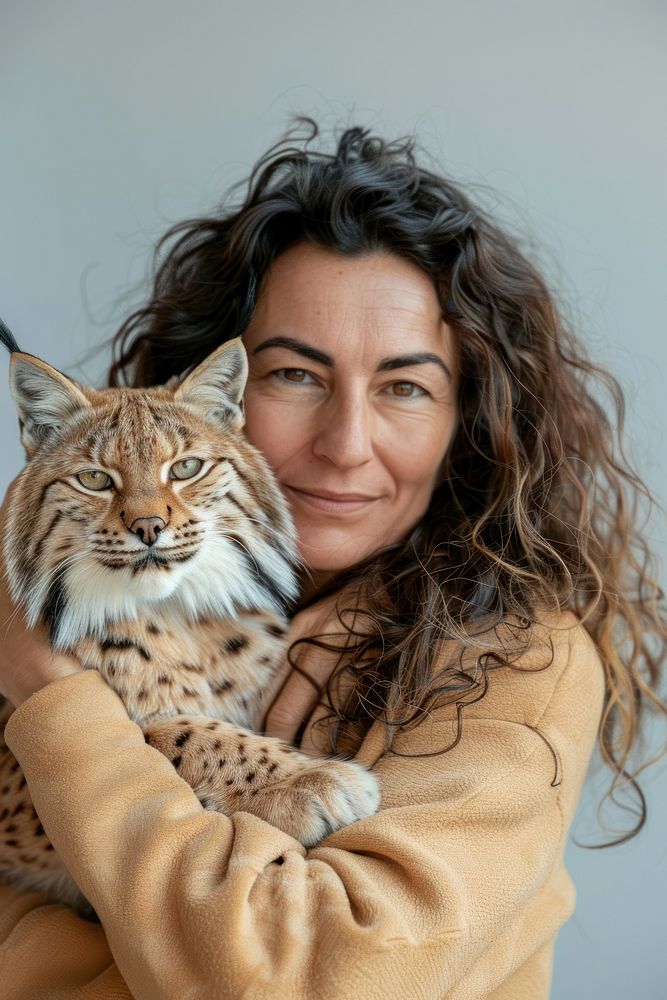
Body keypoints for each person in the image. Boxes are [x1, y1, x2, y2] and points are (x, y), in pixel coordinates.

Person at [0, 120, 665, 1000]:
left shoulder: (518, 662)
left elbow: (313, 982)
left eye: (403, 387)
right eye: (295, 376)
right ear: (214, 395)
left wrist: (50, 695)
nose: (346, 445)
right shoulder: (107, 586)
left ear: (468, 424)